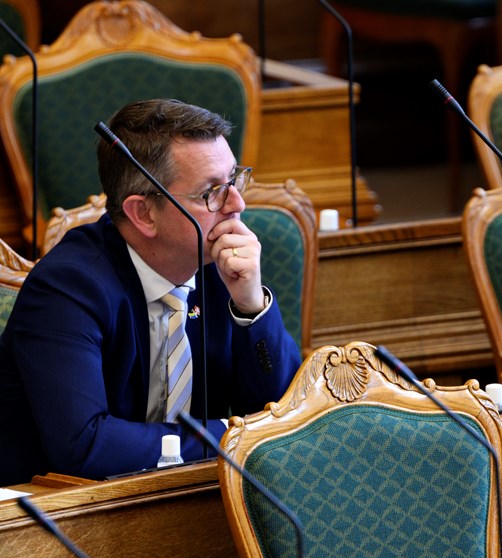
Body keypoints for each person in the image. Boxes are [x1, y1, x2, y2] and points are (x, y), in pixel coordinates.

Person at [0, 99, 302, 485]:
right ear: (143, 213)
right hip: (59, 517)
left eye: (234, 180)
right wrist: (235, 437)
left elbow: (288, 419)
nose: (237, 204)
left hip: (190, 500)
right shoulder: (67, 288)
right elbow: (85, 444)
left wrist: (250, 305)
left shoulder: (218, 267)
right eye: (211, 192)